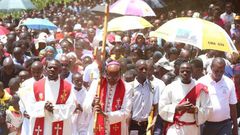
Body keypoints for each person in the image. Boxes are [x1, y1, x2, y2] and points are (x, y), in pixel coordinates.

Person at [25, 59, 76, 135]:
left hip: (60, 126)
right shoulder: (36, 85)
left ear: (60, 70)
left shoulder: (68, 87)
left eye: (55, 68)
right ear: (45, 69)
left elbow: (71, 106)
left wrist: (54, 109)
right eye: (50, 67)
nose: (52, 69)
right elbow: (29, 105)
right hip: (41, 126)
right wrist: (43, 106)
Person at [159, 62, 211, 135]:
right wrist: (177, 107)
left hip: (193, 129)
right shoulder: (171, 87)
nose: (185, 73)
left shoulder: (200, 88)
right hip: (176, 128)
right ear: (178, 72)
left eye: (188, 71)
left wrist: (196, 110)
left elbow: (208, 108)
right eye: (182, 71)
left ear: (192, 72)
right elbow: (161, 107)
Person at [83, 61, 132, 135]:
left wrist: (105, 115)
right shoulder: (97, 84)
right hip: (97, 126)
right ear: (106, 73)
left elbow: (126, 112)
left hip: (118, 126)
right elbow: (85, 106)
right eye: (109, 75)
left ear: (120, 74)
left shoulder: (127, 87)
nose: (111, 78)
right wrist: (92, 104)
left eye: (115, 75)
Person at [199, 57, 238, 135]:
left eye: (222, 71)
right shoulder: (201, 82)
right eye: (216, 71)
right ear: (211, 68)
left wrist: (235, 127)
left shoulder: (229, 83)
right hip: (206, 125)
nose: (219, 73)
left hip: (225, 125)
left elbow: (233, 106)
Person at [129, 59, 158, 135]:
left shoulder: (153, 87)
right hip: (132, 125)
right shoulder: (129, 87)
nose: (144, 71)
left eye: (146, 69)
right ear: (136, 70)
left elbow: (156, 107)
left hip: (147, 125)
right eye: (141, 69)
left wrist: (154, 121)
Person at [18, 61, 44, 135]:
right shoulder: (25, 84)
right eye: (33, 71)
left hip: (42, 118)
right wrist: (24, 111)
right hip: (28, 119)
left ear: (43, 70)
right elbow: (21, 101)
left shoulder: (47, 83)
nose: (36, 74)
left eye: (38, 71)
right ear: (31, 71)